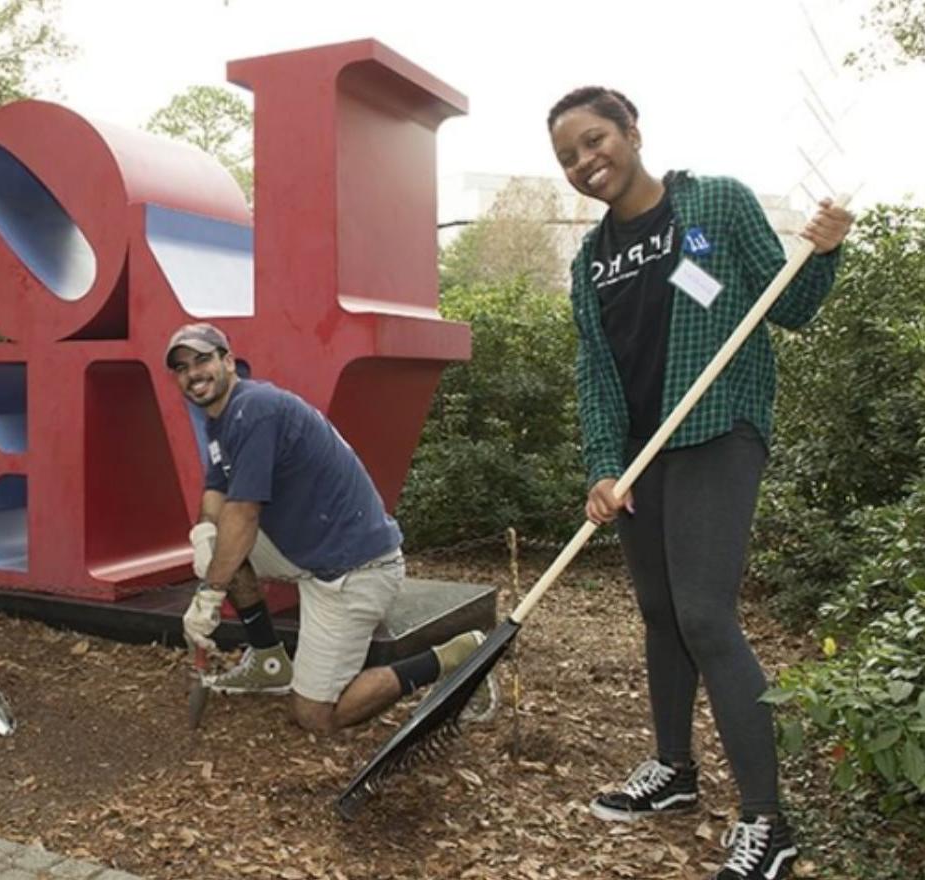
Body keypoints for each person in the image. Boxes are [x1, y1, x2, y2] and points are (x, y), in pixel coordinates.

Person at [547, 87, 853, 880]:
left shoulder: (714, 201)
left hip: (717, 429)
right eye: (569, 157)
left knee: (706, 616)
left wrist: (823, 250)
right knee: (659, 613)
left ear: (631, 132)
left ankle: (768, 821)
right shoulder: (591, 262)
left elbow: (795, 308)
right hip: (643, 456)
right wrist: (604, 465)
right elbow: (598, 375)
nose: (586, 163)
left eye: (593, 141)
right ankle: (674, 772)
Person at [168, 323, 487, 734]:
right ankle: (269, 659)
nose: (193, 373)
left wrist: (210, 594)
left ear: (228, 362)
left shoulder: (255, 409)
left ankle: (456, 655)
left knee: (316, 717)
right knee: (221, 547)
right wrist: (203, 536)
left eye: (203, 360)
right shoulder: (222, 419)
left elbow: (244, 514)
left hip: (355, 571)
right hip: (308, 551)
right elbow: (216, 490)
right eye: (182, 367)